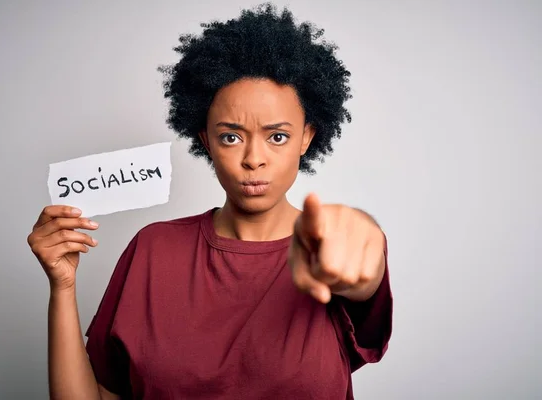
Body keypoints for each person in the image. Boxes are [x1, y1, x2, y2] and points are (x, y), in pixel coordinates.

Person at [27, 3, 393, 399]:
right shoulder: (153, 249)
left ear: (306, 137)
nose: (254, 158)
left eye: (278, 136)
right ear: (206, 140)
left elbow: (362, 274)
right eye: (231, 136)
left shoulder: (333, 250)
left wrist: (365, 238)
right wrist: (62, 288)